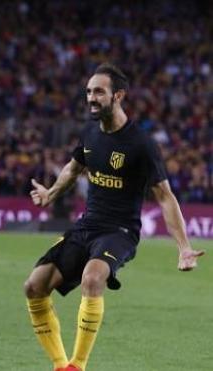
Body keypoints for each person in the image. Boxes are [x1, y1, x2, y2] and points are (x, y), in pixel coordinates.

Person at [23, 63, 205, 371]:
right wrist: (51, 193)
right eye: (89, 92)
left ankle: (77, 366)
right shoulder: (90, 132)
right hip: (87, 225)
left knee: (92, 278)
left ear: (118, 95)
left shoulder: (141, 144)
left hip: (120, 231)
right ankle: (60, 365)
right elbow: (74, 166)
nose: (91, 98)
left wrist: (183, 246)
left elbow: (164, 195)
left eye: (99, 92)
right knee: (33, 287)